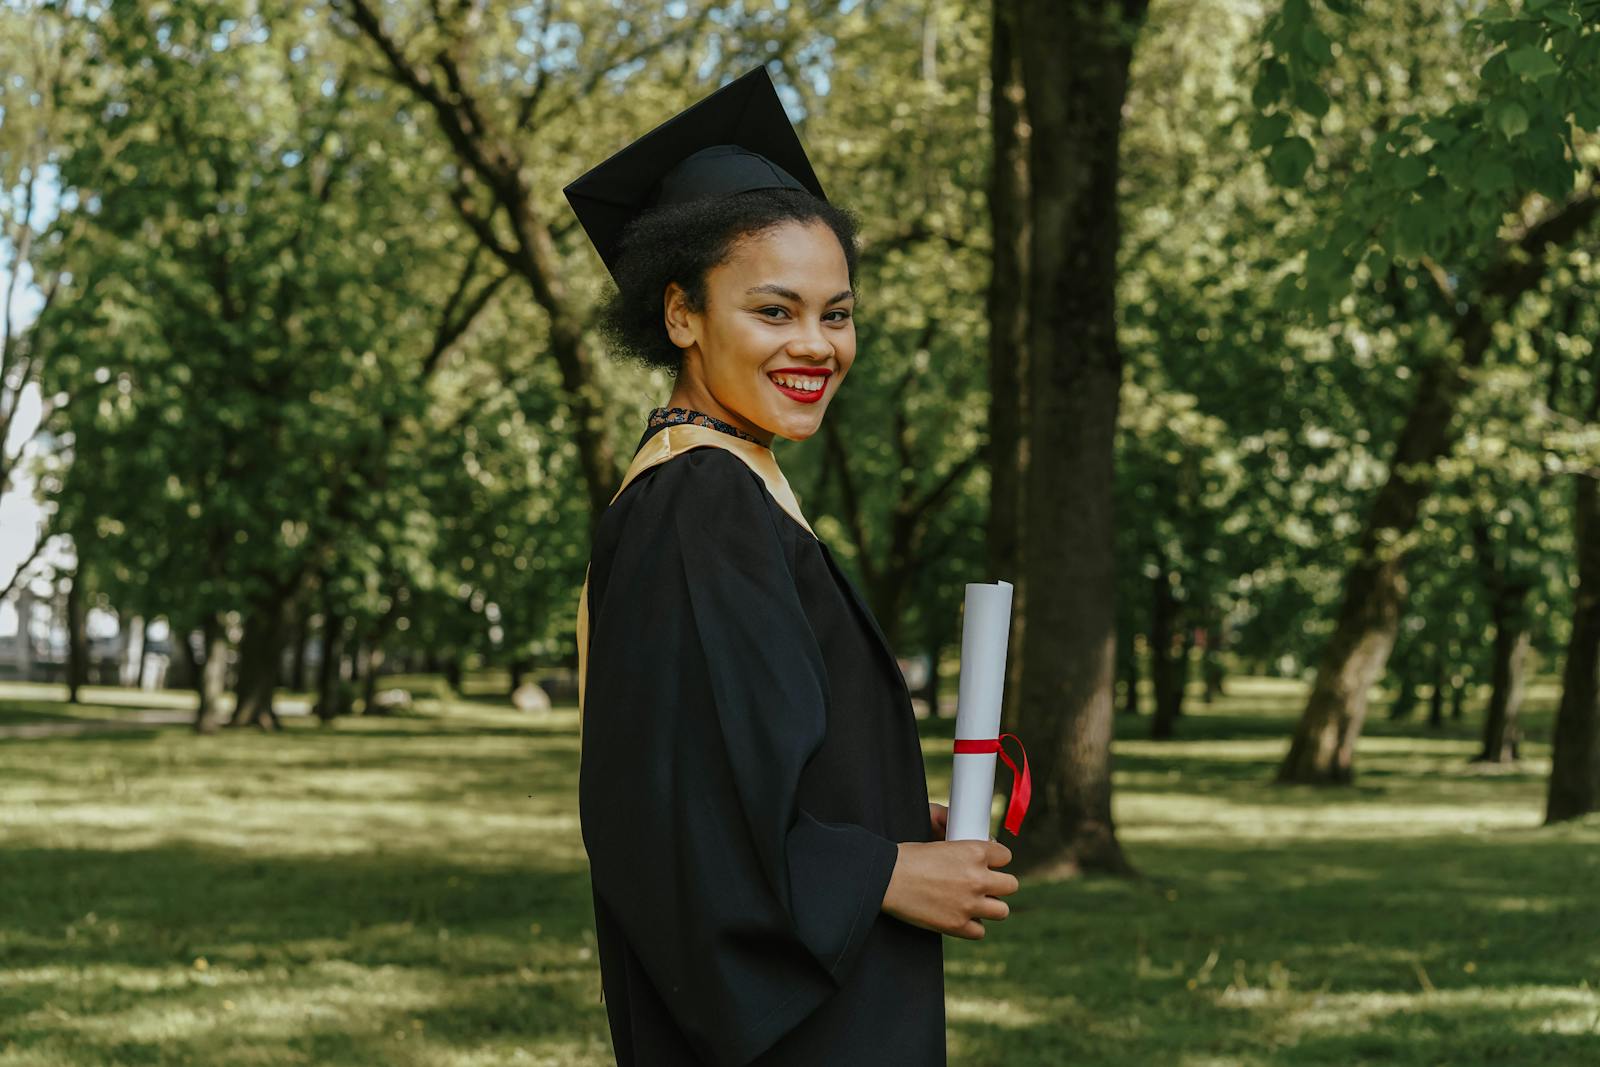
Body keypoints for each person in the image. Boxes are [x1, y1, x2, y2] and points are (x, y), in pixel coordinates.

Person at [564, 65, 1020, 1066]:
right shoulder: (699, 501)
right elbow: (680, 812)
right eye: (773, 312)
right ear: (681, 316)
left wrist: (890, 811)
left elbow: (752, 756)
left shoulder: (733, 482)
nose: (814, 344)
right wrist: (881, 873)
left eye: (836, 312)